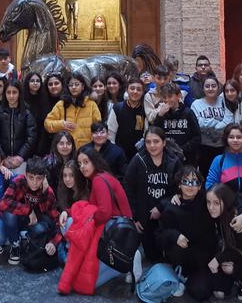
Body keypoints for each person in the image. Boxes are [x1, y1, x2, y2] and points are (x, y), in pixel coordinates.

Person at [61, 147, 141, 293]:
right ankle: (124, 261)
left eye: (86, 162)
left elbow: (104, 213)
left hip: (117, 236)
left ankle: (127, 261)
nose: (82, 167)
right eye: (80, 163)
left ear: (94, 161)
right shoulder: (100, 177)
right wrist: (70, 212)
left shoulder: (99, 180)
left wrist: (86, 219)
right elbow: (93, 207)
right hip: (117, 230)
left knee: (72, 225)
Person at [157, 165, 217, 301]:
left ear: (200, 186)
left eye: (195, 182)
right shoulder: (171, 208)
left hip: (204, 258)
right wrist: (174, 235)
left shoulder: (207, 202)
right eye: (185, 181)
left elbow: (229, 197)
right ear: (179, 184)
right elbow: (160, 237)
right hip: (182, 258)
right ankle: (179, 274)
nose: (190, 185)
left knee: (200, 292)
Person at [124, 126, 181, 262]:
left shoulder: (174, 161)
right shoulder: (138, 160)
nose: (152, 145)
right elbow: (128, 189)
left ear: (164, 142)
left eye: (156, 141)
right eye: (148, 142)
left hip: (167, 213)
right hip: (144, 215)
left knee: (170, 252)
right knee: (151, 255)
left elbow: (179, 190)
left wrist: (161, 207)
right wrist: (134, 217)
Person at [206, 183, 242, 301]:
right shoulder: (219, 215)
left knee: (232, 270)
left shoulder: (238, 220)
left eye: (216, 203)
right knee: (219, 294)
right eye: (208, 202)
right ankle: (233, 278)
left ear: (226, 201)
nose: (211, 207)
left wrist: (219, 260)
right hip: (228, 253)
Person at [0, 156, 61, 265]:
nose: (34, 182)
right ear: (25, 174)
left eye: (38, 178)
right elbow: (3, 203)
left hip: (35, 223)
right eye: (31, 177)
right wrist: (28, 210)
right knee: (9, 215)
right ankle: (15, 244)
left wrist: (53, 242)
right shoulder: (18, 181)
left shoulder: (48, 192)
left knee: (42, 228)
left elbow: (57, 221)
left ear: (44, 178)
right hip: (20, 220)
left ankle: (28, 240)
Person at [0, 78, 37, 175]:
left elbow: (31, 138)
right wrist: (3, 156)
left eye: (14, 92)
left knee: (18, 183)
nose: (11, 96)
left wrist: (20, 156)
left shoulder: (27, 113)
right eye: (8, 92)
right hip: (3, 161)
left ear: (19, 94)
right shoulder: (0, 113)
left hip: (22, 161)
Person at [44, 73, 101, 149]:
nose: (73, 87)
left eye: (77, 84)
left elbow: (98, 127)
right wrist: (61, 124)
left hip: (86, 149)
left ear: (83, 86)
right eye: (71, 85)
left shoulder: (91, 104)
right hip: (66, 149)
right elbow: (47, 123)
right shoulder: (61, 104)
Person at [151, 82, 202, 165]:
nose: (167, 100)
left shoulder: (188, 113)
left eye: (170, 96)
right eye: (164, 97)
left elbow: (197, 137)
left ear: (178, 96)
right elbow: (154, 133)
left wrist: (181, 149)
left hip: (187, 157)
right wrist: (159, 116)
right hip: (167, 157)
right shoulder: (162, 114)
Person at [191, 75, 233, 173]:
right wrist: (216, 121)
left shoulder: (224, 101)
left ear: (218, 88)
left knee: (223, 174)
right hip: (204, 147)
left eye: (213, 86)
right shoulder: (196, 104)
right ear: (203, 88)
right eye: (207, 86)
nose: (210, 89)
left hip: (223, 147)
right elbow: (197, 124)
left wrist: (208, 124)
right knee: (206, 175)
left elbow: (229, 121)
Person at [107, 77, 146, 160]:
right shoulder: (117, 108)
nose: (135, 91)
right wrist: (114, 151)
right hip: (119, 153)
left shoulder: (145, 110)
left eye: (139, 89)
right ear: (127, 90)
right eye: (132, 88)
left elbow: (146, 132)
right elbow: (111, 132)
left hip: (138, 154)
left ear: (142, 92)